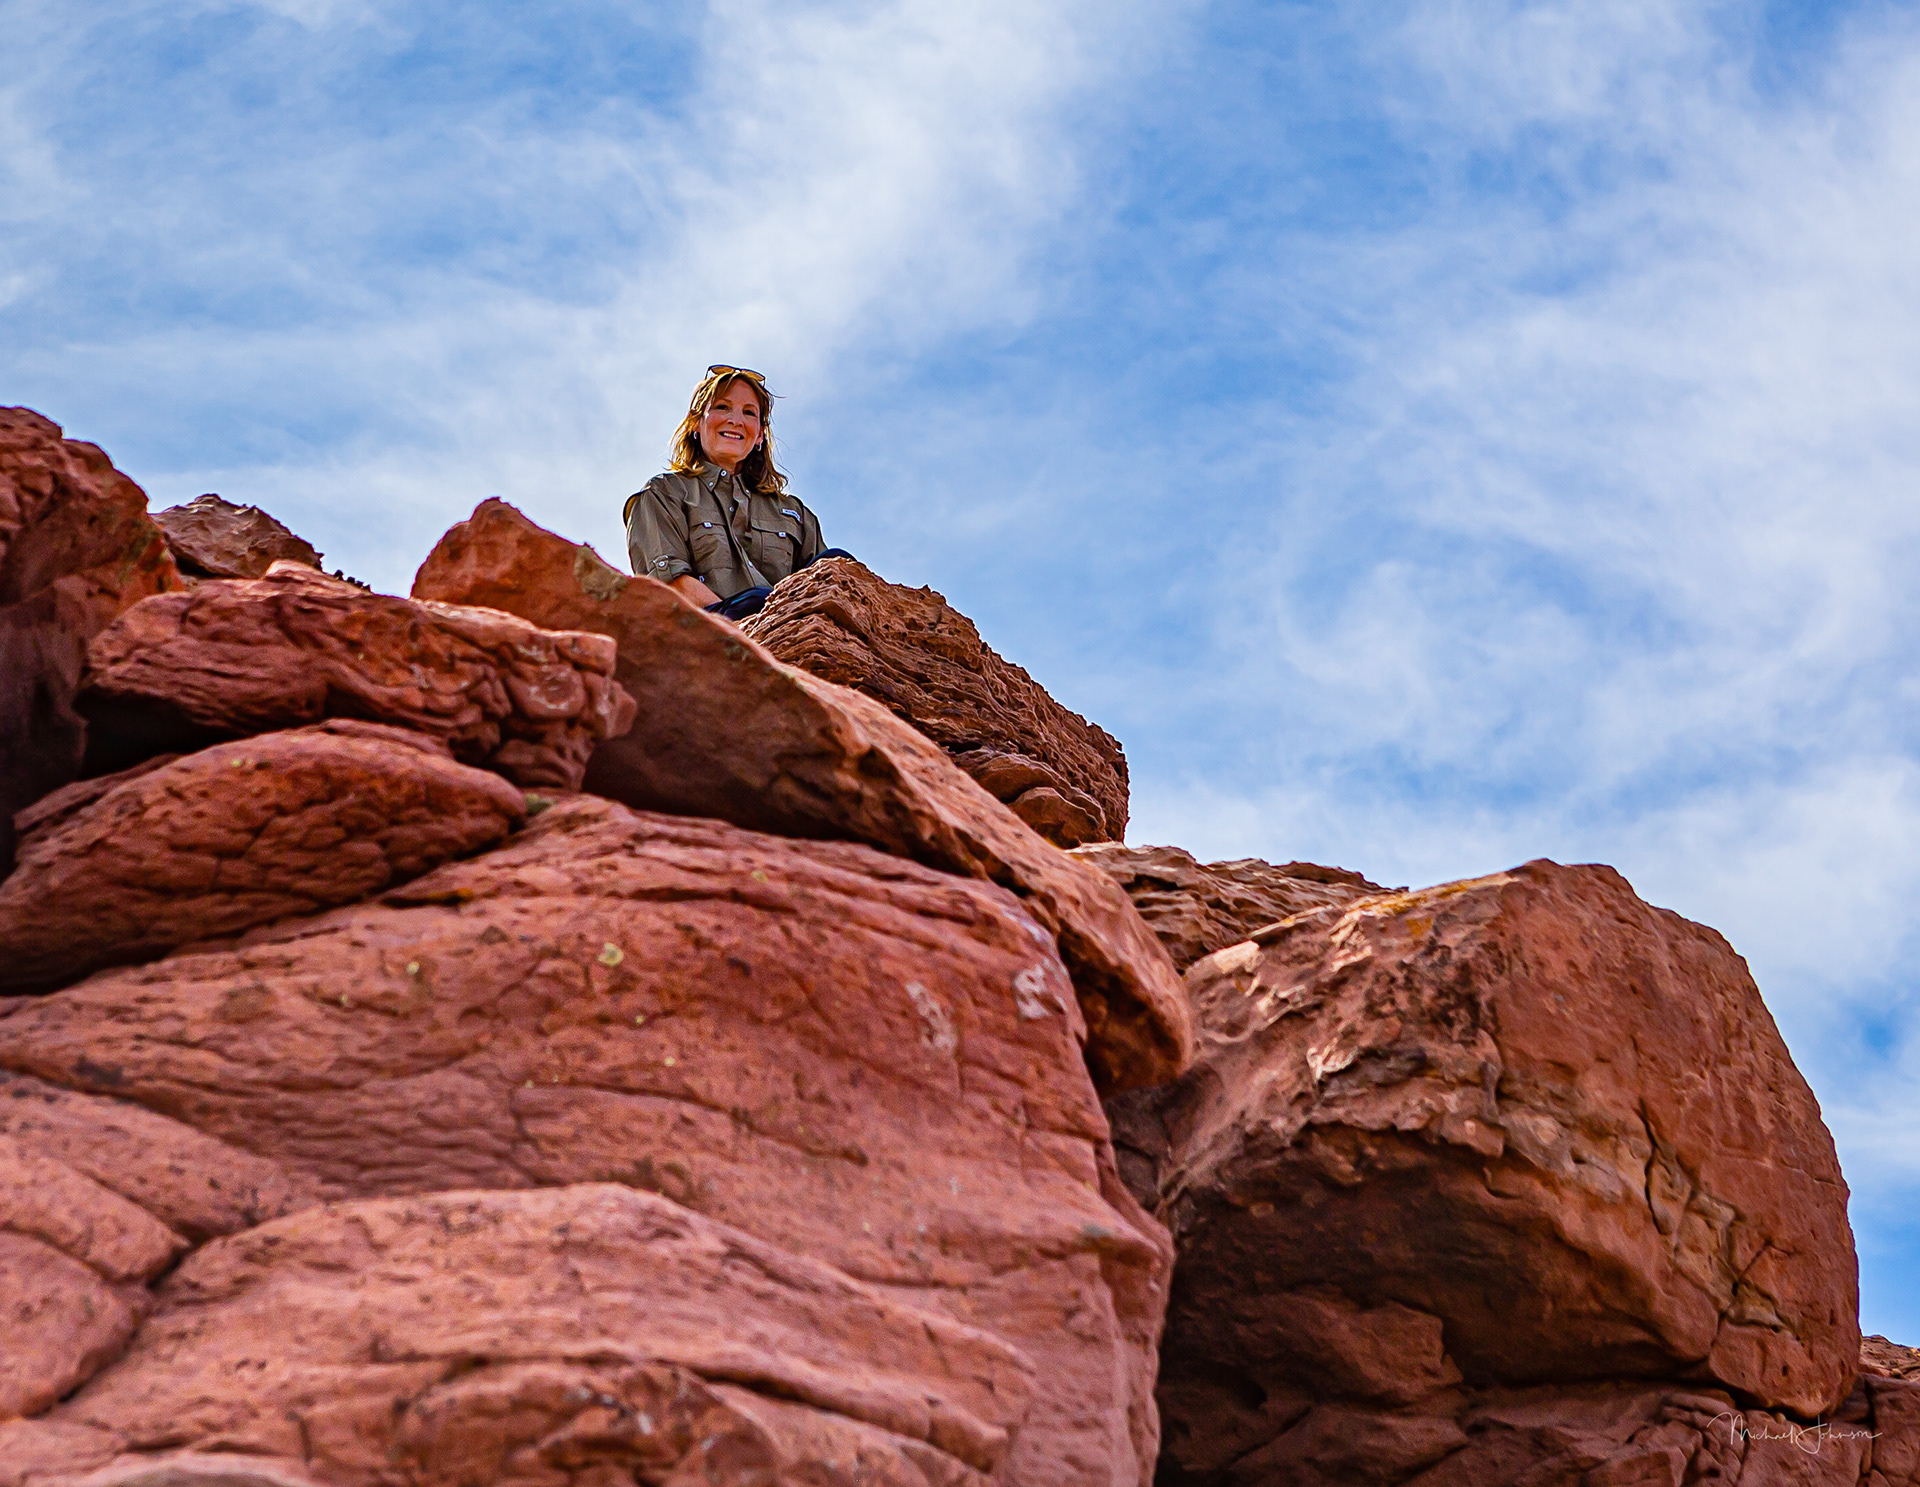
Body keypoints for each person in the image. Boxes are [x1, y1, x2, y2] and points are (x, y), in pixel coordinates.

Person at [623, 365, 850, 621]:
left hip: (787, 624)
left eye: (749, 412)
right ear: (695, 423)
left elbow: (825, 584)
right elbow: (671, 585)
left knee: (838, 562)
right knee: (755, 601)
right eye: (722, 407)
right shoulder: (662, 495)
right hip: (711, 628)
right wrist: (753, 621)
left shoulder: (794, 513)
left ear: (760, 435)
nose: (736, 420)